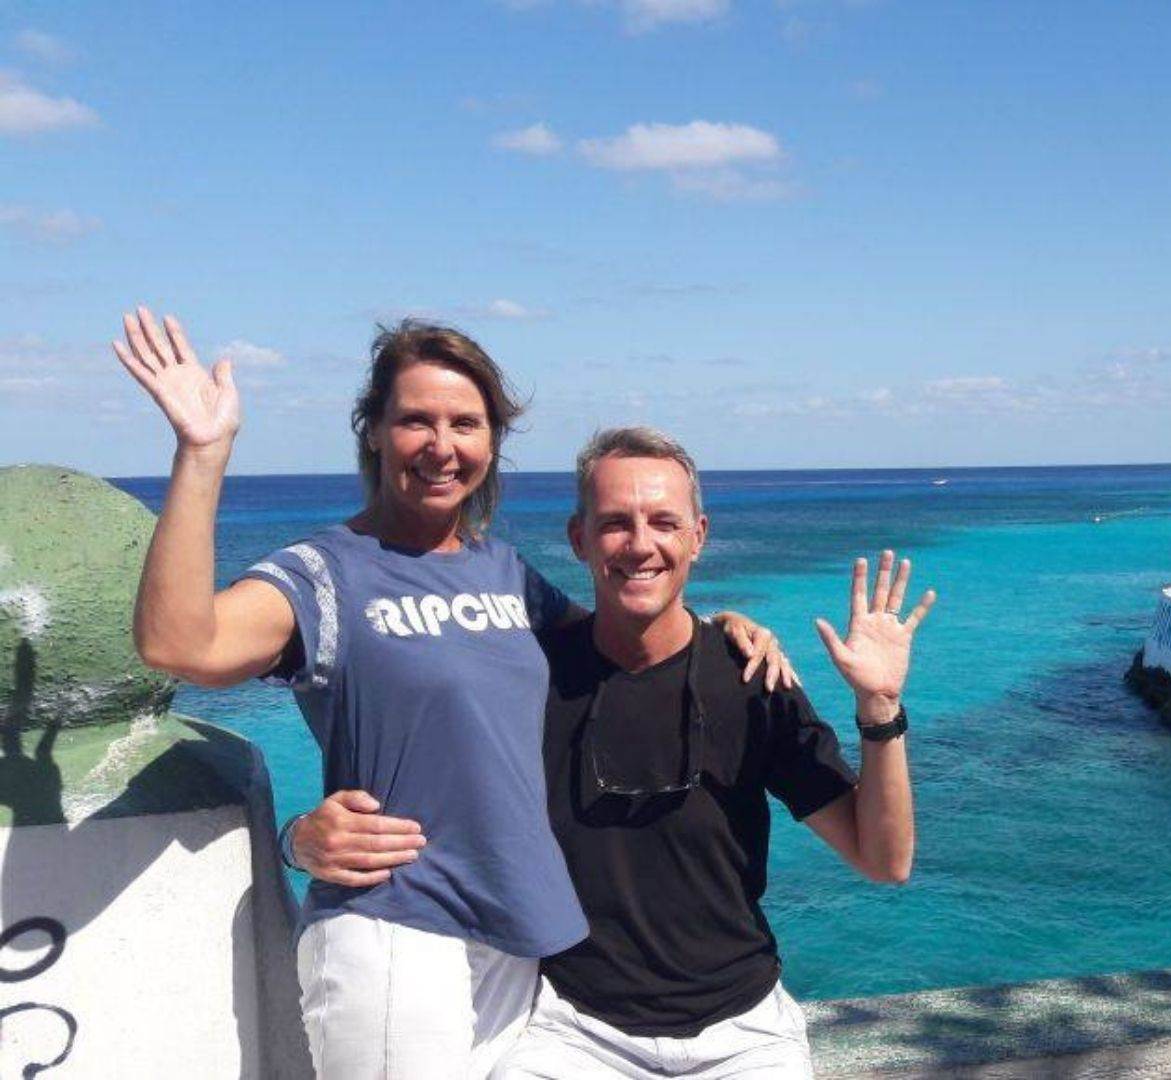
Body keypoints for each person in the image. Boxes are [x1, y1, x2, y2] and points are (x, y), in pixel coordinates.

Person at [114, 313, 790, 1079]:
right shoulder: (324, 574)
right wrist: (203, 455)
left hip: (513, 935)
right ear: (373, 431)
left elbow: (618, 644)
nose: (442, 445)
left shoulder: (503, 573)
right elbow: (180, 645)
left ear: (492, 442)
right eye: (415, 420)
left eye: (465, 423)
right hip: (397, 927)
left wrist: (721, 628)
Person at [295, 426, 934, 1078]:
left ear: (698, 536)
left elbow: (884, 859)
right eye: (615, 523)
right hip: (572, 1032)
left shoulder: (751, 680)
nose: (641, 544)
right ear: (579, 538)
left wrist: (879, 711)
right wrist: (299, 837)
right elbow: (417, 792)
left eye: (663, 522)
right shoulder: (523, 681)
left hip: (745, 1033)